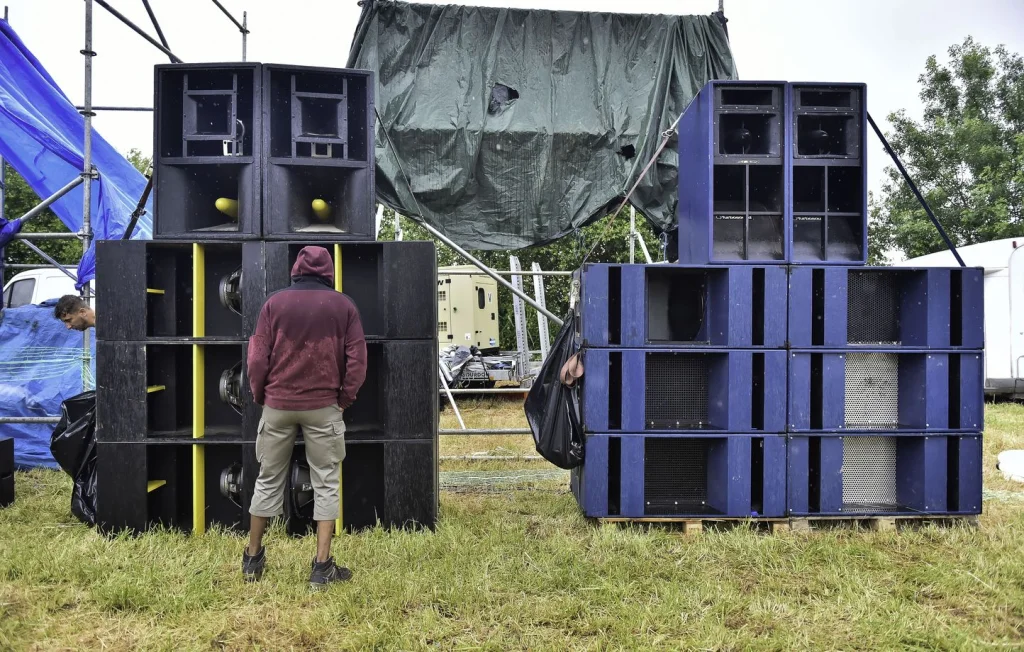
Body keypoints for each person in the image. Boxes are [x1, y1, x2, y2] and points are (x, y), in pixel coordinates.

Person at [243, 245, 367, 589]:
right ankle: (321, 567)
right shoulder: (343, 306)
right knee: (326, 481)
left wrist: (260, 395)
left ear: (296, 269)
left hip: (277, 405)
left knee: (268, 478)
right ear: (327, 271)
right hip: (323, 405)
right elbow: (357, 361)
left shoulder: (273, 303)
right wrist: (343, 399)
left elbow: (256, 358)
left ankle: (253, 559)